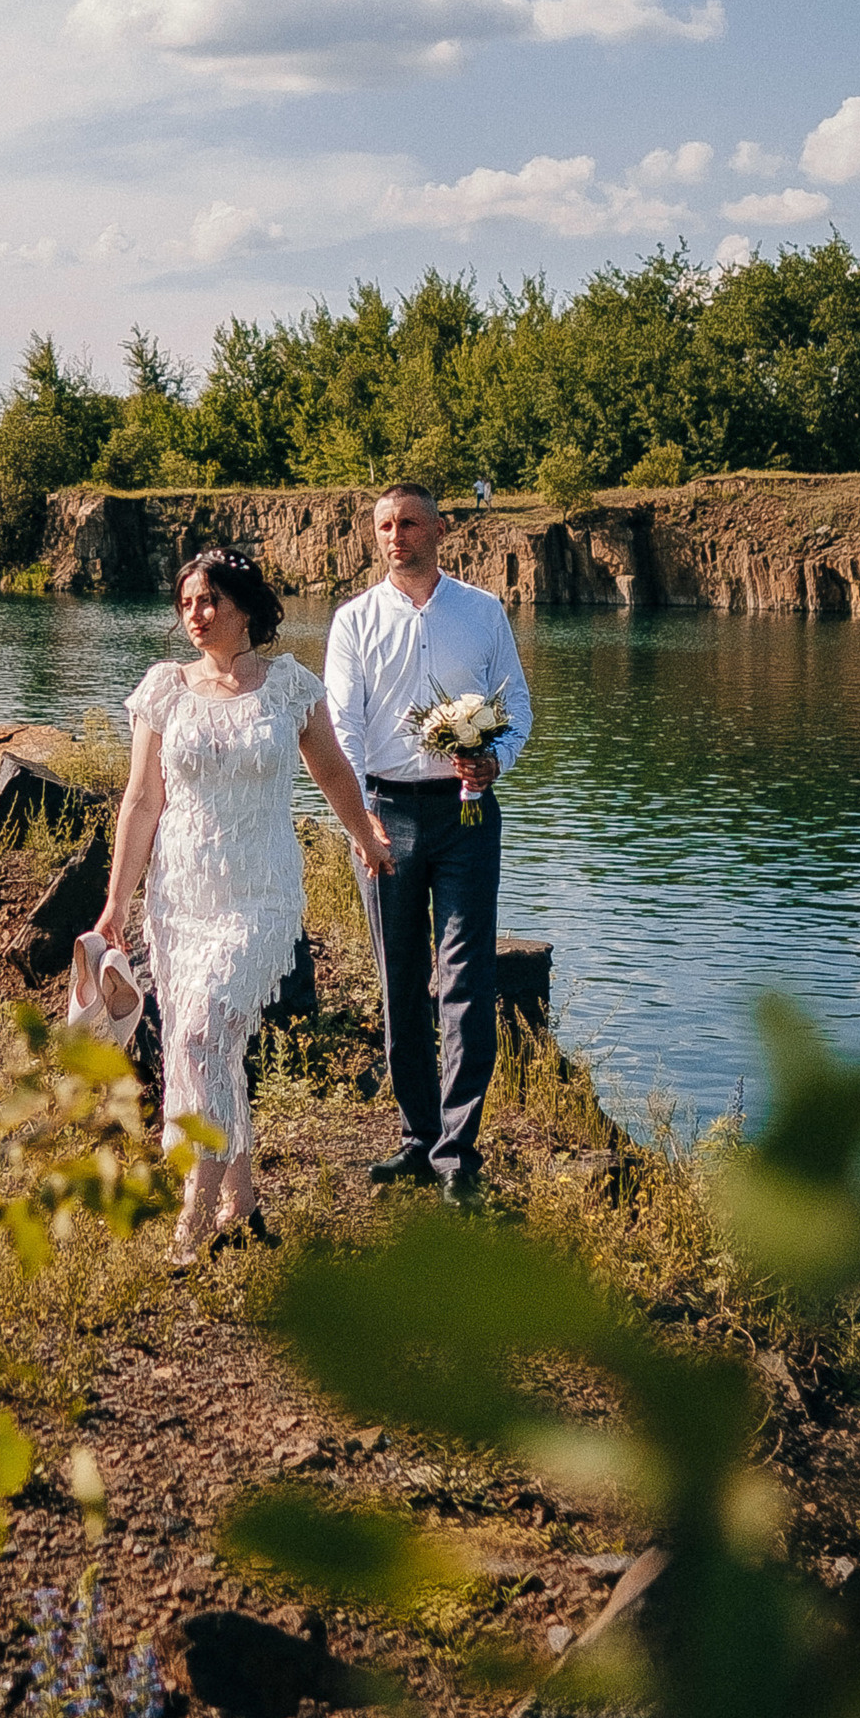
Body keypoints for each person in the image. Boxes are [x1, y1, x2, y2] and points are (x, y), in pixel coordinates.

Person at [95, 547, 396, 1266]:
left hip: (259, 893)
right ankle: (244, 1198)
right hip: (181, 895)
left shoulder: (289, 686)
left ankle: (192, 1217)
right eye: (187, 603)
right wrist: (114, 904)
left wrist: (365, 835)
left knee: (203, 1033)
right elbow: (141, 801)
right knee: (204, 1046)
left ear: (246, 610)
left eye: (209, 602)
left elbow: (330, 769)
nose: (194, 616)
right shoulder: (165, 689)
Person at [324, 483, 533, 1201]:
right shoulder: (353, 621)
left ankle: (456, 1152)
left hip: (468, 814)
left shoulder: (483, 612)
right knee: (400, 982)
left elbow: (520, 706)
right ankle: (417, 1138)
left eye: (410, 522)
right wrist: (359, 819)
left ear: (440, 529)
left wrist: (494, 758)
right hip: (384, 810)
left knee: (468, 981)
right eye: (384, 525)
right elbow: (342, 728)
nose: (396, 535)